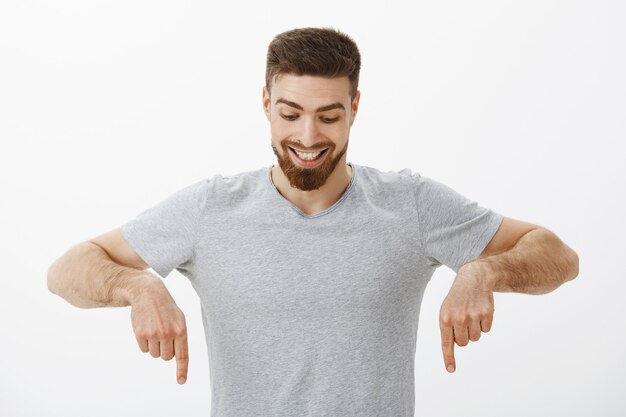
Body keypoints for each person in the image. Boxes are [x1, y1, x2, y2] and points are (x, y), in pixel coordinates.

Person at [47, 27, 579, 417]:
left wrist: (481, 272)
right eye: (290, 113)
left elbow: (558, 255)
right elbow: (67, 269)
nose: (306, 136)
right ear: (265, 104)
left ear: (354, 107)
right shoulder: (211, 209)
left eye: (328, 116)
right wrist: (137, 284)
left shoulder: (410, 204)